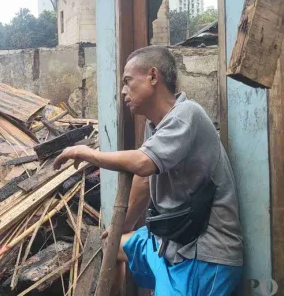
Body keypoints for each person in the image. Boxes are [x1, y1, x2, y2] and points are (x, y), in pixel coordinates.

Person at [52, 46, 243, 295]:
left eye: (127, 81)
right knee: (114, 244)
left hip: (205, 255)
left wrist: (87, 153)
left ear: (153, 77)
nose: (123, 91)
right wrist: (125, 224)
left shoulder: (188, 114)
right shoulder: (155, 126)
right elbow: (144, 182)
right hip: (171, 244)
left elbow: (143, 163)